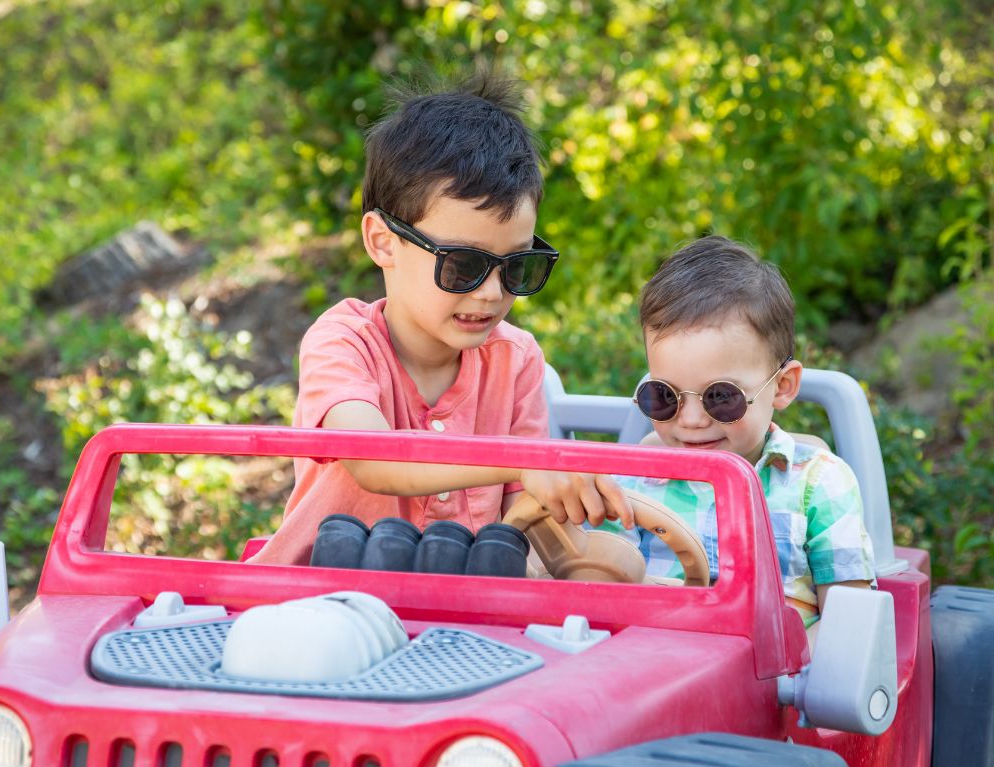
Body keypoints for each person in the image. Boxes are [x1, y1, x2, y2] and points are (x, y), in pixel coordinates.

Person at [249, 70, 633, 565]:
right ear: (383, 242)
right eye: (464, 265)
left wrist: (584, 541)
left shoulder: (515, 361)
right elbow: (374, 459)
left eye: (516, 266)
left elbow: (526, 520)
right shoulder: (343, 342)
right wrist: (520, 460)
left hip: (460, 619)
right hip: (325, 604)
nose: (493, 293)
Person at [599, 235, 877, 631]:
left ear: (782, 387)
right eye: (665, 396)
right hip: (652, 663)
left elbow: (849, 630)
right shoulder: (628, 483)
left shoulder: (817, 487)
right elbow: (598, 592)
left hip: (777, 681)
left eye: (721, 397)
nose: (692, 420)